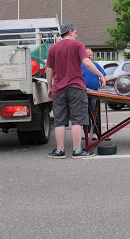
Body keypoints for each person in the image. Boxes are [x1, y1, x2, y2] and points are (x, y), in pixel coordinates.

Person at [46, 23, 106, 159]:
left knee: (59, 121)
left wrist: (50, 87)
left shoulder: (53, 48)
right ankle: (77, 150)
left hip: (59, 89)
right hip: (76, 88)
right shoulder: (78, 45)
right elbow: (87, 63)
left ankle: (59, 151)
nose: (77, 34)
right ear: (70, 32)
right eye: (76, 32)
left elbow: (49, 70)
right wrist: (100, 75)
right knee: (77, 120)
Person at [81, 49, 108, 140]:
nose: (89, 57)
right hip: (82, 93)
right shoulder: (79, 66)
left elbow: (105, 76)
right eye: (87, 55)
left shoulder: (96, 65)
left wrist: (105, 81)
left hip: (94, 92)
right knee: (84, 114)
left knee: (95, 113)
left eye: (91, 55)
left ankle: (97, 132)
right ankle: (87, 132)